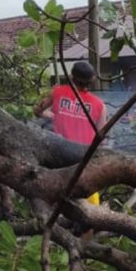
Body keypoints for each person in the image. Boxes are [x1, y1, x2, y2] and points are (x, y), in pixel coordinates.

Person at [34, 61, 107, 205]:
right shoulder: (99, 105)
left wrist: (54, 115)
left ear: (71, 76)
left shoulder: (58, 92)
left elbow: (37, 111)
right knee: (91, 212)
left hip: (57, 159)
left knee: (55, 204)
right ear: (91, 80)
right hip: (84, 163)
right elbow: (101, 140)